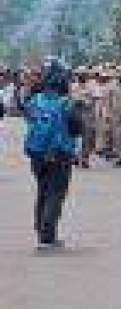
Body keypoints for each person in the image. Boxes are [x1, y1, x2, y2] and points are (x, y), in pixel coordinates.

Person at [24, 59, 83, 250]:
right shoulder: (66, 103)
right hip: (59, 154)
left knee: (43, 190)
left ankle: (41, 230)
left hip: (37, 154)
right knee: (55, 194)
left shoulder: (35, 101)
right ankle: (47, 237)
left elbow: (29, 117)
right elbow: (77, 129)